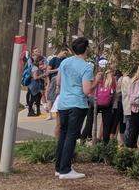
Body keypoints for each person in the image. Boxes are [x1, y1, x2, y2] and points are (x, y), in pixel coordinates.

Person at [53, 37, 95, 180]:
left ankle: (59, 168)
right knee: (71, 136)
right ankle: (65, 170)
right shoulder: (86, 67)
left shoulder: (65, 62)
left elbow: (58, 80)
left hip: (63, 103)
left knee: (63, 135)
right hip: (77, 104)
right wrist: (97, 81)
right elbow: (87, 90)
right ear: (86, 49)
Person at [122, 61, 139, 148]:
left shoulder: (133, 80)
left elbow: (129, 94)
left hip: (133, 107)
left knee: (133, 128)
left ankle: (130, 146)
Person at [94, 66, 118, 143]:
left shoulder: (102, 81)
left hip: (99, 103)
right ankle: (105, 141)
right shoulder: (113, 81)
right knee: (106, 124)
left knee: (100, 122)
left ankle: (97, 137)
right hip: (108, 105)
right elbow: (115, 93)